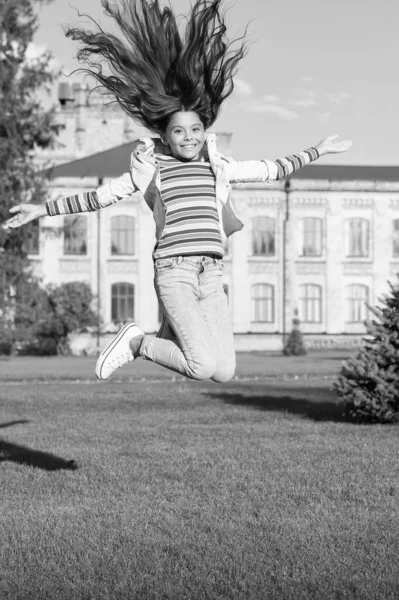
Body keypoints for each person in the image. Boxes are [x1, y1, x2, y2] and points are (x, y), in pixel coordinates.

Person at [2, 0, 352, 383]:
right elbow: (101, 196)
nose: (189, 137)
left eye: (196, 129)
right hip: (175, 271)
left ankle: (165, 335)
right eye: (179, 131)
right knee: (201, 367)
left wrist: (318, 149)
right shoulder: (152, 168)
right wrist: (42, 209)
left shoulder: (220, 168)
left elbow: (273, 169)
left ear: (205, 131)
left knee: (224, 371)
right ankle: (137, 343)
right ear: (165, 135)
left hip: (211, 273)